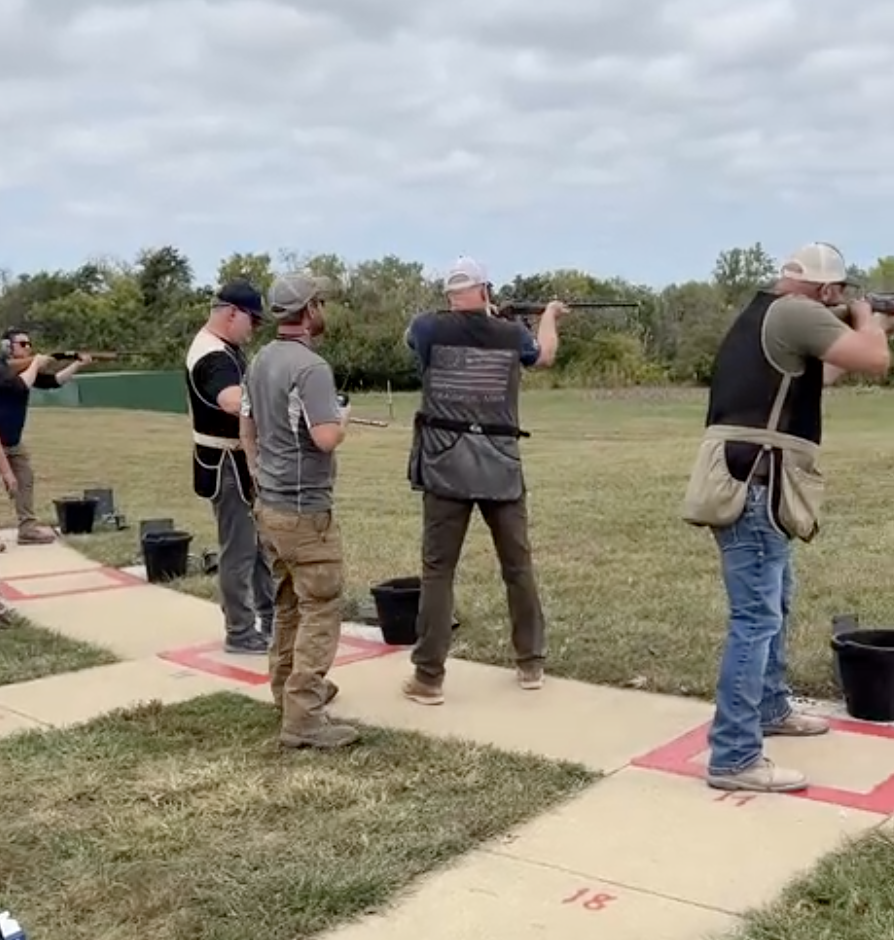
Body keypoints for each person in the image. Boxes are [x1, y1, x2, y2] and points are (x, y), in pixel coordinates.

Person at [682, 242, 893, 794]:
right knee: (755, 621)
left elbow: (820, 377)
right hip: (754, 484)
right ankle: (733, 756)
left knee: (774, 603)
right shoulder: (797, 312)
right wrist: (871, 321)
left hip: (751, 482)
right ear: (826, 292)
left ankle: (771, 706)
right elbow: (876, 361)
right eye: (840, 295)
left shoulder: (768, 313)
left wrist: (864, 330)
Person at [401, 256, 567, 706]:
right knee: (517, 567)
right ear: (485, 290)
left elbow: (413, 340)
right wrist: (548, 317)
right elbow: (545, 355)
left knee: (438, 572)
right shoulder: (512, 335)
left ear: (449, 294)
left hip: (444, 465)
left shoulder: (427, 328)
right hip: (499, 465)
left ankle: (429, 677)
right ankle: (530, 663)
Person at [240, 272, 358, 750]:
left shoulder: (260, 360)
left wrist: (259, 473)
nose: (323, 308)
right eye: (321, 302)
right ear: (308, 311)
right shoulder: (312, 369)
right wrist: (342, 418)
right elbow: (325, 437)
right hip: (305, 510)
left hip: (268, 505)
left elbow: (246, 426)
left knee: (288, 603)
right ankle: (305, 716)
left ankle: (284, 689)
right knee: (321, 608)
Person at [185, 280, 274, 655]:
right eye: (252, 320)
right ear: (231, 313)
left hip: (238, 459)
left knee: (257, 547)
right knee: (238, 550)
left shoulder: (223, 348)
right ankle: (240, 631)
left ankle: (269, 618)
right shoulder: (212, 356)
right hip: (226, 461)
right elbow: (231, 400)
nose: (254, 329)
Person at [0, 330, 89, 544]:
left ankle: (28, 529)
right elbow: (20, 385)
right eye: (22, 343)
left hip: (12, 441)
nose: (28, 346)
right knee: (13, 479)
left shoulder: (21, 370)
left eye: (29, 343)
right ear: (7, 346)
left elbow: (54, 381)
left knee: (25, 480)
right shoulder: (2, 372)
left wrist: (77, 364)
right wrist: (36, 363)